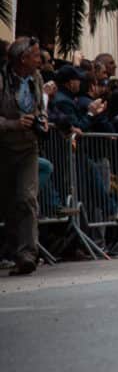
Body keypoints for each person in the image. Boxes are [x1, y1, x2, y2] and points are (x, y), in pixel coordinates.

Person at [0, 37, 46, 275]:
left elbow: (40, 107)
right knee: (9, 203)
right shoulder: (2, 79)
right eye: (36, 55)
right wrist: (14, 124)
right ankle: (10, 251)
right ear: (23, 59)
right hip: (4, 148)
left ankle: (28, 254)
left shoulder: (36, 78)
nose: (40, 59)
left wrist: (42, 121)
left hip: (28, 147)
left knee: (27, 198)